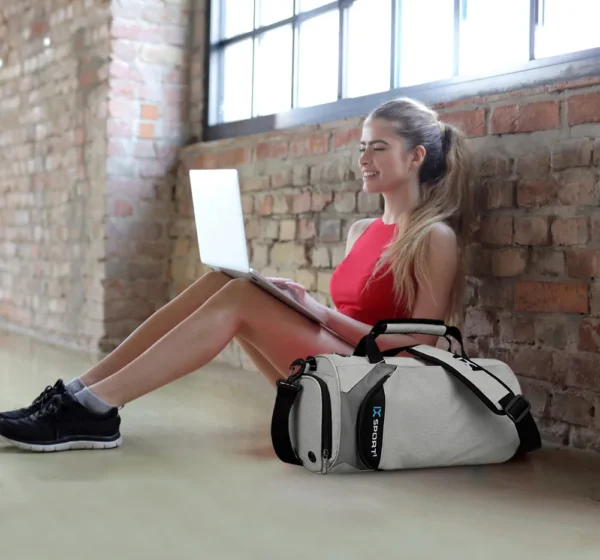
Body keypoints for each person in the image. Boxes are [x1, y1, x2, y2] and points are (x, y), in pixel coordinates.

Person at [0, 97, 474, 452]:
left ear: (415, 157)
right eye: (362, 147)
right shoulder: (362, 230)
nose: (364, 159)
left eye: (379, 148)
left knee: (244, 298)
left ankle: (94, 412)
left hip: (372, 387)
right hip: (329, 367)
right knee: (226, 280)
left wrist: (314, 309)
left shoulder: (434, 238)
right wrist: (303, 307)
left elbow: (420, 347)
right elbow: (338, 318)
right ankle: (79, 395)